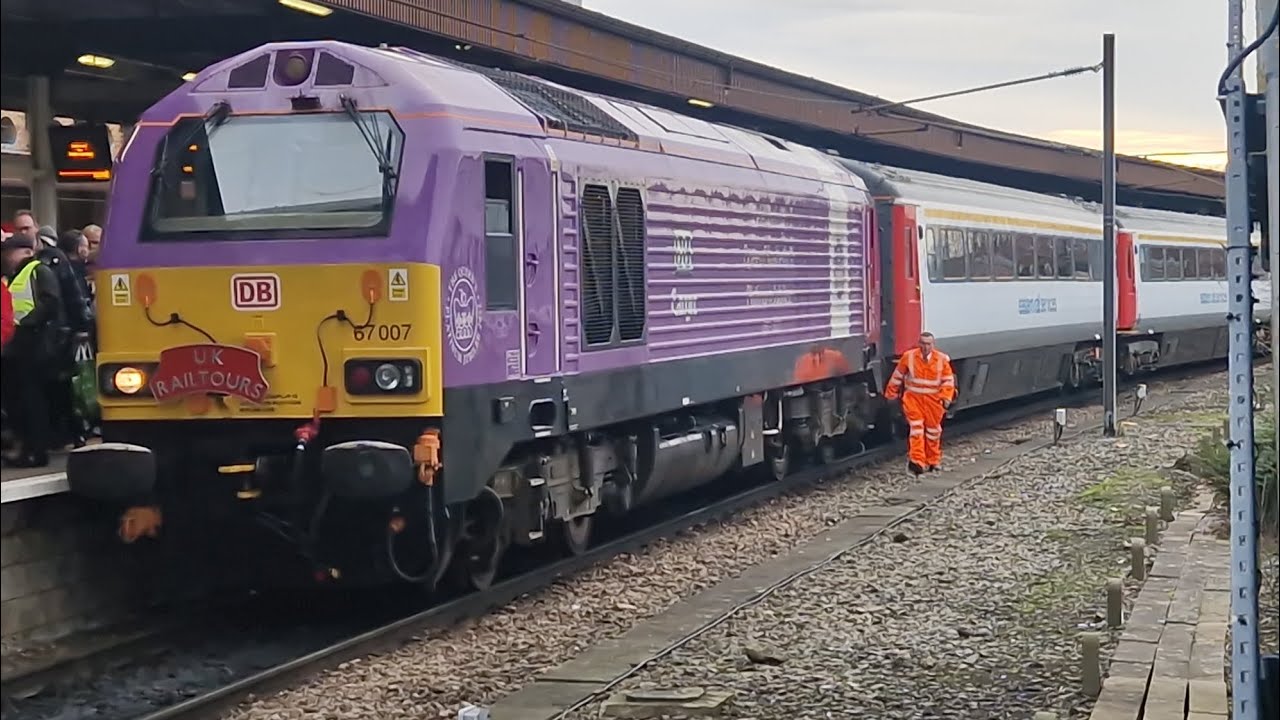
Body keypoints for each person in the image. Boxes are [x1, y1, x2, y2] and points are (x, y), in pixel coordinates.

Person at [2, 232, 64, 467]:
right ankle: (28, 448)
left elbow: (50, 303)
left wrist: (26, 323)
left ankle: (36, 451)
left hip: (35, 347)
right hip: (19, 348)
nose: (8, 257)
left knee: (32, 402)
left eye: (12, 252)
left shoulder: (39, 270)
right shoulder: (15, 275)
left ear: (27, 251)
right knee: (21, 401)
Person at [883, 331, 957, 475]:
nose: (925, 347)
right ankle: (917, 461)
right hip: (914, 400)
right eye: (922, 343)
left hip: (933, 402)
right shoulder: (909, 357)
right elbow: (897, 376)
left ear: (933, 345)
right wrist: (890, 394)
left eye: (928, 344)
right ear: (919, 343)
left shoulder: (941, 360)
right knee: (916, 429)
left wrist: (946, 397)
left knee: (933, 432)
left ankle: (933, 461)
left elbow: (948, 381)